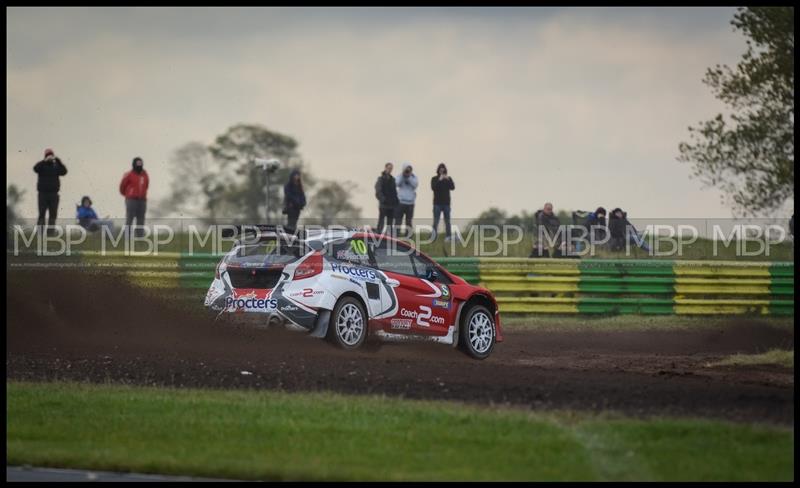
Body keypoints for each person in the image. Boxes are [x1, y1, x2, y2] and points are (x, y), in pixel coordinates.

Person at [33, 148, 68, 230]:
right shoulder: (42, 166)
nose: (50, 157)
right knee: (42, 214)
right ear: (45, 156)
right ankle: (40, 232)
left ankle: (51, 233)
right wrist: (44, 161)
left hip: (54, 194)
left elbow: (64, 172)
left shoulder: (56, 166)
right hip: (42, 194)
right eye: (48, 155)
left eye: (51, 155)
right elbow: (35, 169)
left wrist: (58, 161)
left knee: (53, 214)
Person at [119, 157, 149, 236]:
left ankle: (139, 236)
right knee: (130, 218)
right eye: (137, 164)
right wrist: (129, 195)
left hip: (142, 200)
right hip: (131, 200)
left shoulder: (145, 175)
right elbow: (122, 187)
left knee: (141, 218)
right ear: (134, 164)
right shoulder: (128, 174)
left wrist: (142, 195)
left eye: (140, 164)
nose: (139, 165)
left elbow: (146, 185)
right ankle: (127, 236)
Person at [431, 163, 455, 241]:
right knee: (436, 222)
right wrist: (439, 180)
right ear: (438, 170)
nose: (442, 170)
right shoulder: (434, 179)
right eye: (440, 168)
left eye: (443, 168)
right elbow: (433, 188)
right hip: (437, 203)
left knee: (447, 222)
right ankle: (433, 237)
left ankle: (448, 237)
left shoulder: (448, 178)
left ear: (445, 170)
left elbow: (452, 187)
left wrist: (448, 179)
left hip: (446, 204)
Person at [374, 162, 398, 233]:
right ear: (385, 168)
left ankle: (389, 237)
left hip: (391, 205)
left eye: (391, 168)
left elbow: (394, 192)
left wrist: (396, 201)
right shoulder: (380, 179)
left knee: (390, 223)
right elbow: (378, 191)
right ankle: (378, 234)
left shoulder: (393, 179)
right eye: (388, 168)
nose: (390, 170)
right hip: (383, 205)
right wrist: (383, 199)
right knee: (381, 220)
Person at [395, 162, 418, 231]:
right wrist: (403, 175)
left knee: (408, 222)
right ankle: (396, 237)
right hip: (400, 202)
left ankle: (408, 238)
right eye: (406, 169)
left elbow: (415, 185)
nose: (408, 171)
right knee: (398, 221)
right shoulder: (399, 176)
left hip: (410, 203)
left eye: (409, 169)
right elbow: (396, 183)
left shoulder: (414, 177)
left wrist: (409, 177)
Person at [283, 169, 306, 233]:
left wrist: (303, 203)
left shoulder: (299, 186)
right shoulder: (288, 186)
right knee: (291, 223)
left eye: (298, 175)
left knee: (294, 222)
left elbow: (302, 195)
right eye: (296, 175)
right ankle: (289, 233)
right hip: (291, 207)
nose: (297, 176)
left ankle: (292, 233)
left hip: (297, 208)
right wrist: (296, 202)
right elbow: (288, 195)